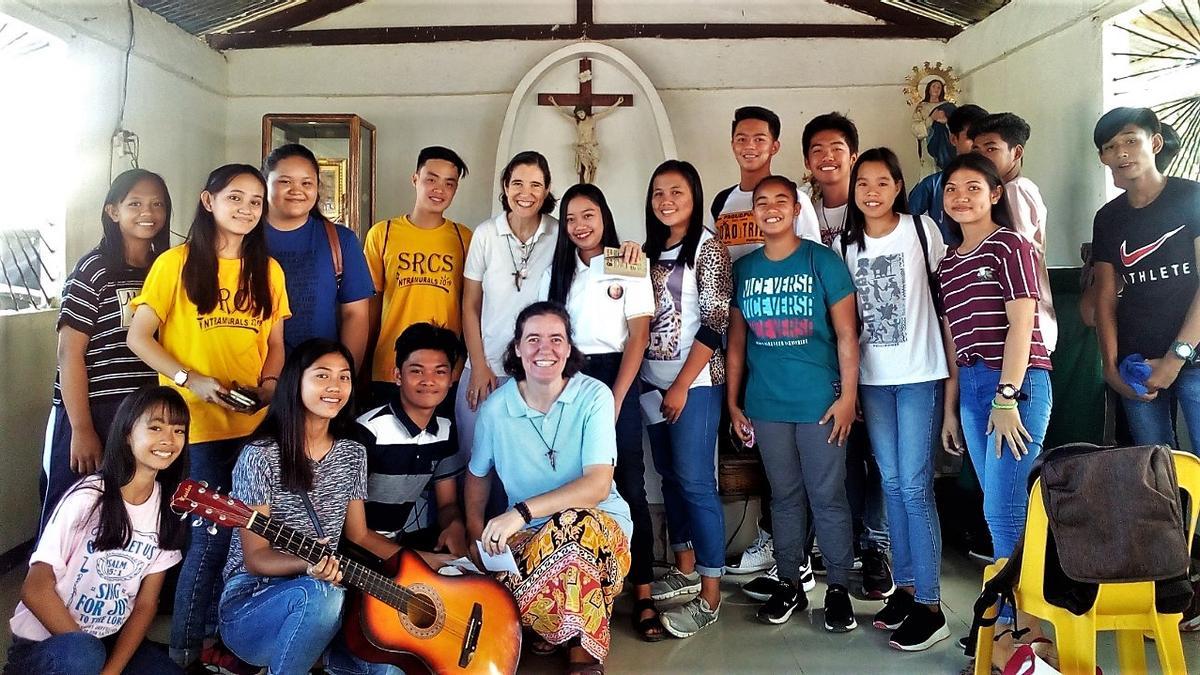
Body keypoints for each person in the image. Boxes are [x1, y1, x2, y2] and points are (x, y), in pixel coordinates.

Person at [126, 164, 290, 668]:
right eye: (234, 197)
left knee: (252, 540)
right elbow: (139, 338)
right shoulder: (175, 264)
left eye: (255, 201)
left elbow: (276, 346)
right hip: (193, 431)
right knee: (209, 540)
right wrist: (188, 380)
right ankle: (186, 649)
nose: (246, 209)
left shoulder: (268, 269)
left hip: (252, 428)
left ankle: (226, 638)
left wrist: (266, 388)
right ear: (208, 200)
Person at [219, 339, 418, 675]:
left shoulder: (353, 453)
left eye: (344, 377)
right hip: (253, 603)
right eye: (322, 376)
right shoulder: (261, 455)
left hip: (329, 599)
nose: (335, 387)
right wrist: (306, 566)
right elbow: (255, 559)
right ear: (295, 382)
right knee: (320, 596)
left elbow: (360, 535)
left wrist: (425, 564)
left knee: (392, 667)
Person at [466, 302, 632, 674]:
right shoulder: (496, 408)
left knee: (577, 525)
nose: (546, 349)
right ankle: (553, 625)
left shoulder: (594, 397)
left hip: (601, 531)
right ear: (518, 349)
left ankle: (583, 650)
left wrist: (520, 512)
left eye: (557, 339)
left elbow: (597, 486)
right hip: (527, 540)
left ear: (570, 348)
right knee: (492, 594)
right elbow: (478, 475)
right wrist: (476, 533)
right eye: (534, 339)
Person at [727, 174, 860, 633]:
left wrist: (848, 399)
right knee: (783, 498)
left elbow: (847, 336)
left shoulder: (822, 261)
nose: (770, 208)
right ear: (753, 213)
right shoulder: (744, 270)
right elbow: (737, 348)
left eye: (780, 200)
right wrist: (733, 404)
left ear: (797, 208)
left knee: (827, 496)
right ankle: (789, 583)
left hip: (820, 403)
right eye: (761, 202)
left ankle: (838, 587)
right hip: (766, 404)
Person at [937, 153, 1053, 668]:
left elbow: (1022, 321)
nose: (961, 197)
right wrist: (952, 409)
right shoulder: (948, 262)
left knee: (1006, 510)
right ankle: (1018, 625)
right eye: (952, 188)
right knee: (996, 507)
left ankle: (1020, 630)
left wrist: (1007, 396)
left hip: (1018, 383)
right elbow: (956, 340)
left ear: (995, 194)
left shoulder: (1010, 246)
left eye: (973, 187)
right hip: (974, 385)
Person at [836, 149, 952, 650]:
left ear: (898, 185)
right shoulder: (847, 244)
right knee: (891, 481)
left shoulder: (922, 229)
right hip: (873, 381)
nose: (872, 191)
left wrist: (951, 390)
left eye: (883, 182)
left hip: (921, 374)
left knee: (913, 485)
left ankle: (930, 604)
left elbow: (945, 304)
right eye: (863, 183)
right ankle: (904, 589)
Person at [540, 183, 660, 641]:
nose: (579, 226)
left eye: (588, 215)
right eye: (570, 219)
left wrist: (615, 398)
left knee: (628, 479)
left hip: (616, 378)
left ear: (604, 216)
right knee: (571, 479)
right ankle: (578, 593)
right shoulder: (560, 269)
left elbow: (638, 337)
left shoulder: (625, 260)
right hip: (568, 378)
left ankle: (642, 591)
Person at [708, 106, 821, 583]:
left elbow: (812, 268)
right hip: (741, 341)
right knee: (759, 449)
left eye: (759, 138)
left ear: (775, 146)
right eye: (741, 137)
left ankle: (800, 554)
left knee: (799, 453)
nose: (749, 145)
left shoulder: (793, 200)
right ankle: (774, 542)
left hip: (789, 344)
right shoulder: (723, 201)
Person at [7, 386, 190, 675]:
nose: (169, 439)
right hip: (48, 646)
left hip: (108, 640)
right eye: (155, 427)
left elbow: (145, 604)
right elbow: (35, 588)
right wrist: (91, 654)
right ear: (128, 433)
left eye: (179, 431)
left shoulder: (167, 508)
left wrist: (111, 670)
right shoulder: (90, 497)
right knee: (83, 655)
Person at [41, 169, 171, 536]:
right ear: (113, 211)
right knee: (72, 510)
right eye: (135, 204)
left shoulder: (165, 269)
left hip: (145, 412)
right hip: (92, 409)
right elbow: (69, 353)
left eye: (157, 204)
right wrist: (82, 428)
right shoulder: (94, 268)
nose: (148, 212)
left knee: (131, 512)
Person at [640, 160, 730, 638]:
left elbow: (717, 321)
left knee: (697, 482)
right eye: (658, 193)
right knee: (670, 479)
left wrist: (680, 384)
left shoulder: (707, 248)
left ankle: (711, 596)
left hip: (693, 384)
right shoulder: (647, 251)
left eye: (676, 191)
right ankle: (686, 567)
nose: (666, 200)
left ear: (694, 196)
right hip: (650, 382)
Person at [802, 112, 891, 590]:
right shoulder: (803, 213)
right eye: (816, 149)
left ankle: (876, 546)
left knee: (877, 453)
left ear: (852, 154)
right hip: (822, 352)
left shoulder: (871, 209)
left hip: (878, 348)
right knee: (839, 447)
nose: (826, 157)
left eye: (836, 147)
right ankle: (838, 542)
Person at [1092, 107, 1200, 449]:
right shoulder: (1108, 218)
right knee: (1153, 471)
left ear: (1154, 143)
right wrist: (1110, 369)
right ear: (1103, 157)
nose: (1121, 152)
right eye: (1110, 146)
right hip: (1136, 364)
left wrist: (1175, 358)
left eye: (1130, 140)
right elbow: (1105, 297)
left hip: (1195, 358)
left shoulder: (1191, 198)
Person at [363, 147, 472, 411]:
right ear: (415, 179)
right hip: (389, 367)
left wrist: (461, 365)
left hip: (442, 372)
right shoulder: (383, 233)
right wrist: (362, 363)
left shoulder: (464, 238)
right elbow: (371, 305)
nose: (439, 189)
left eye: (449, 183)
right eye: (431, 179)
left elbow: (471, 306)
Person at [357, 323, 469, 556]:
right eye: (417, 371)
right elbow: (352, 531)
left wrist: (455, 525)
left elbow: (447, 504)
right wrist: (420, 562)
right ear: (398, 375)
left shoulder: (446, 431)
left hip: (398, 543)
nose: (428, 380)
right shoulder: (368, 431)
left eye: (440, 372)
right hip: (353, 550)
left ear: (451, 378)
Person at [262, 144, 374, 366]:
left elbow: (356, 315)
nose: (297, 190)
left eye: (306, 183)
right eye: (285, 182)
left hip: (318, 375)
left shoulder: (341, 240)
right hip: (249, 373)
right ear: (264, 184)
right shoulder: (242, 237)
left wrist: (344, 374)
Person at [969, 112, 1058, 354]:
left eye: (991, 149)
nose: (981, 157)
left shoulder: (1015, 190)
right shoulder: (1002, 192)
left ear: (1016, 153)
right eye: (976, 150)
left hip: (1025, 327)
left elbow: (1015, 256)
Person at [909, 104, 989, 247]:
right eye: (971, 136)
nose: (977, 144)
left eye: (983, 137)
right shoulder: (933, 184)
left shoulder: (995, 184)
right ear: (953, 139)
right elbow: (906, 221)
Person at [911, 78, 947, 177]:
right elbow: (915, 128)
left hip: (945, 144)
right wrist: (931, 119)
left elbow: (956, 125)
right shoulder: (922, 107)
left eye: (939, 87)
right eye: (934, 86)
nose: (936, 89)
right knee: (929, 171)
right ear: (929, 89)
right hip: (928, 143)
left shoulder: (947, 106)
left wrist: (945, 122)